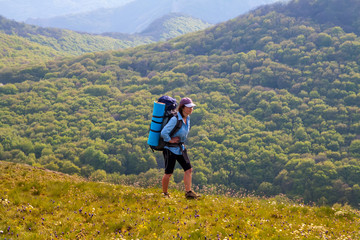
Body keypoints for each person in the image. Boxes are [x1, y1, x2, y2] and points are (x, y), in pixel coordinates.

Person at [160, 97, 200, 199]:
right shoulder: (175, 119)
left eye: (192, 107)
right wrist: (170, 140)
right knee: (168, 173)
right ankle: (164, 194)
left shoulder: (188, 118)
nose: (191, 109)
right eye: (189, 107)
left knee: (188, 169)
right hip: (170, 149)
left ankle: (189, 192)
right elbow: (163, 132)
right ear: (182, 108)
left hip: (180, 147)